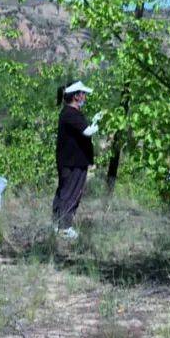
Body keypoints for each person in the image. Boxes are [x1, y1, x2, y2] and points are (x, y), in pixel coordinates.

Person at [52, 80, 103, 241]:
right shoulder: (70, 113)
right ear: (76, 96)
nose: (85, 97)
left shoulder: (69, 113)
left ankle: (57, 224)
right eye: (83, 94)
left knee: (64, 191)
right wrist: (100, 121)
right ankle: (65, 227)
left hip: (70, 160)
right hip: (73, 161)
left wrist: (94, 120)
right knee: (71, 193)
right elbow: (88, 132)